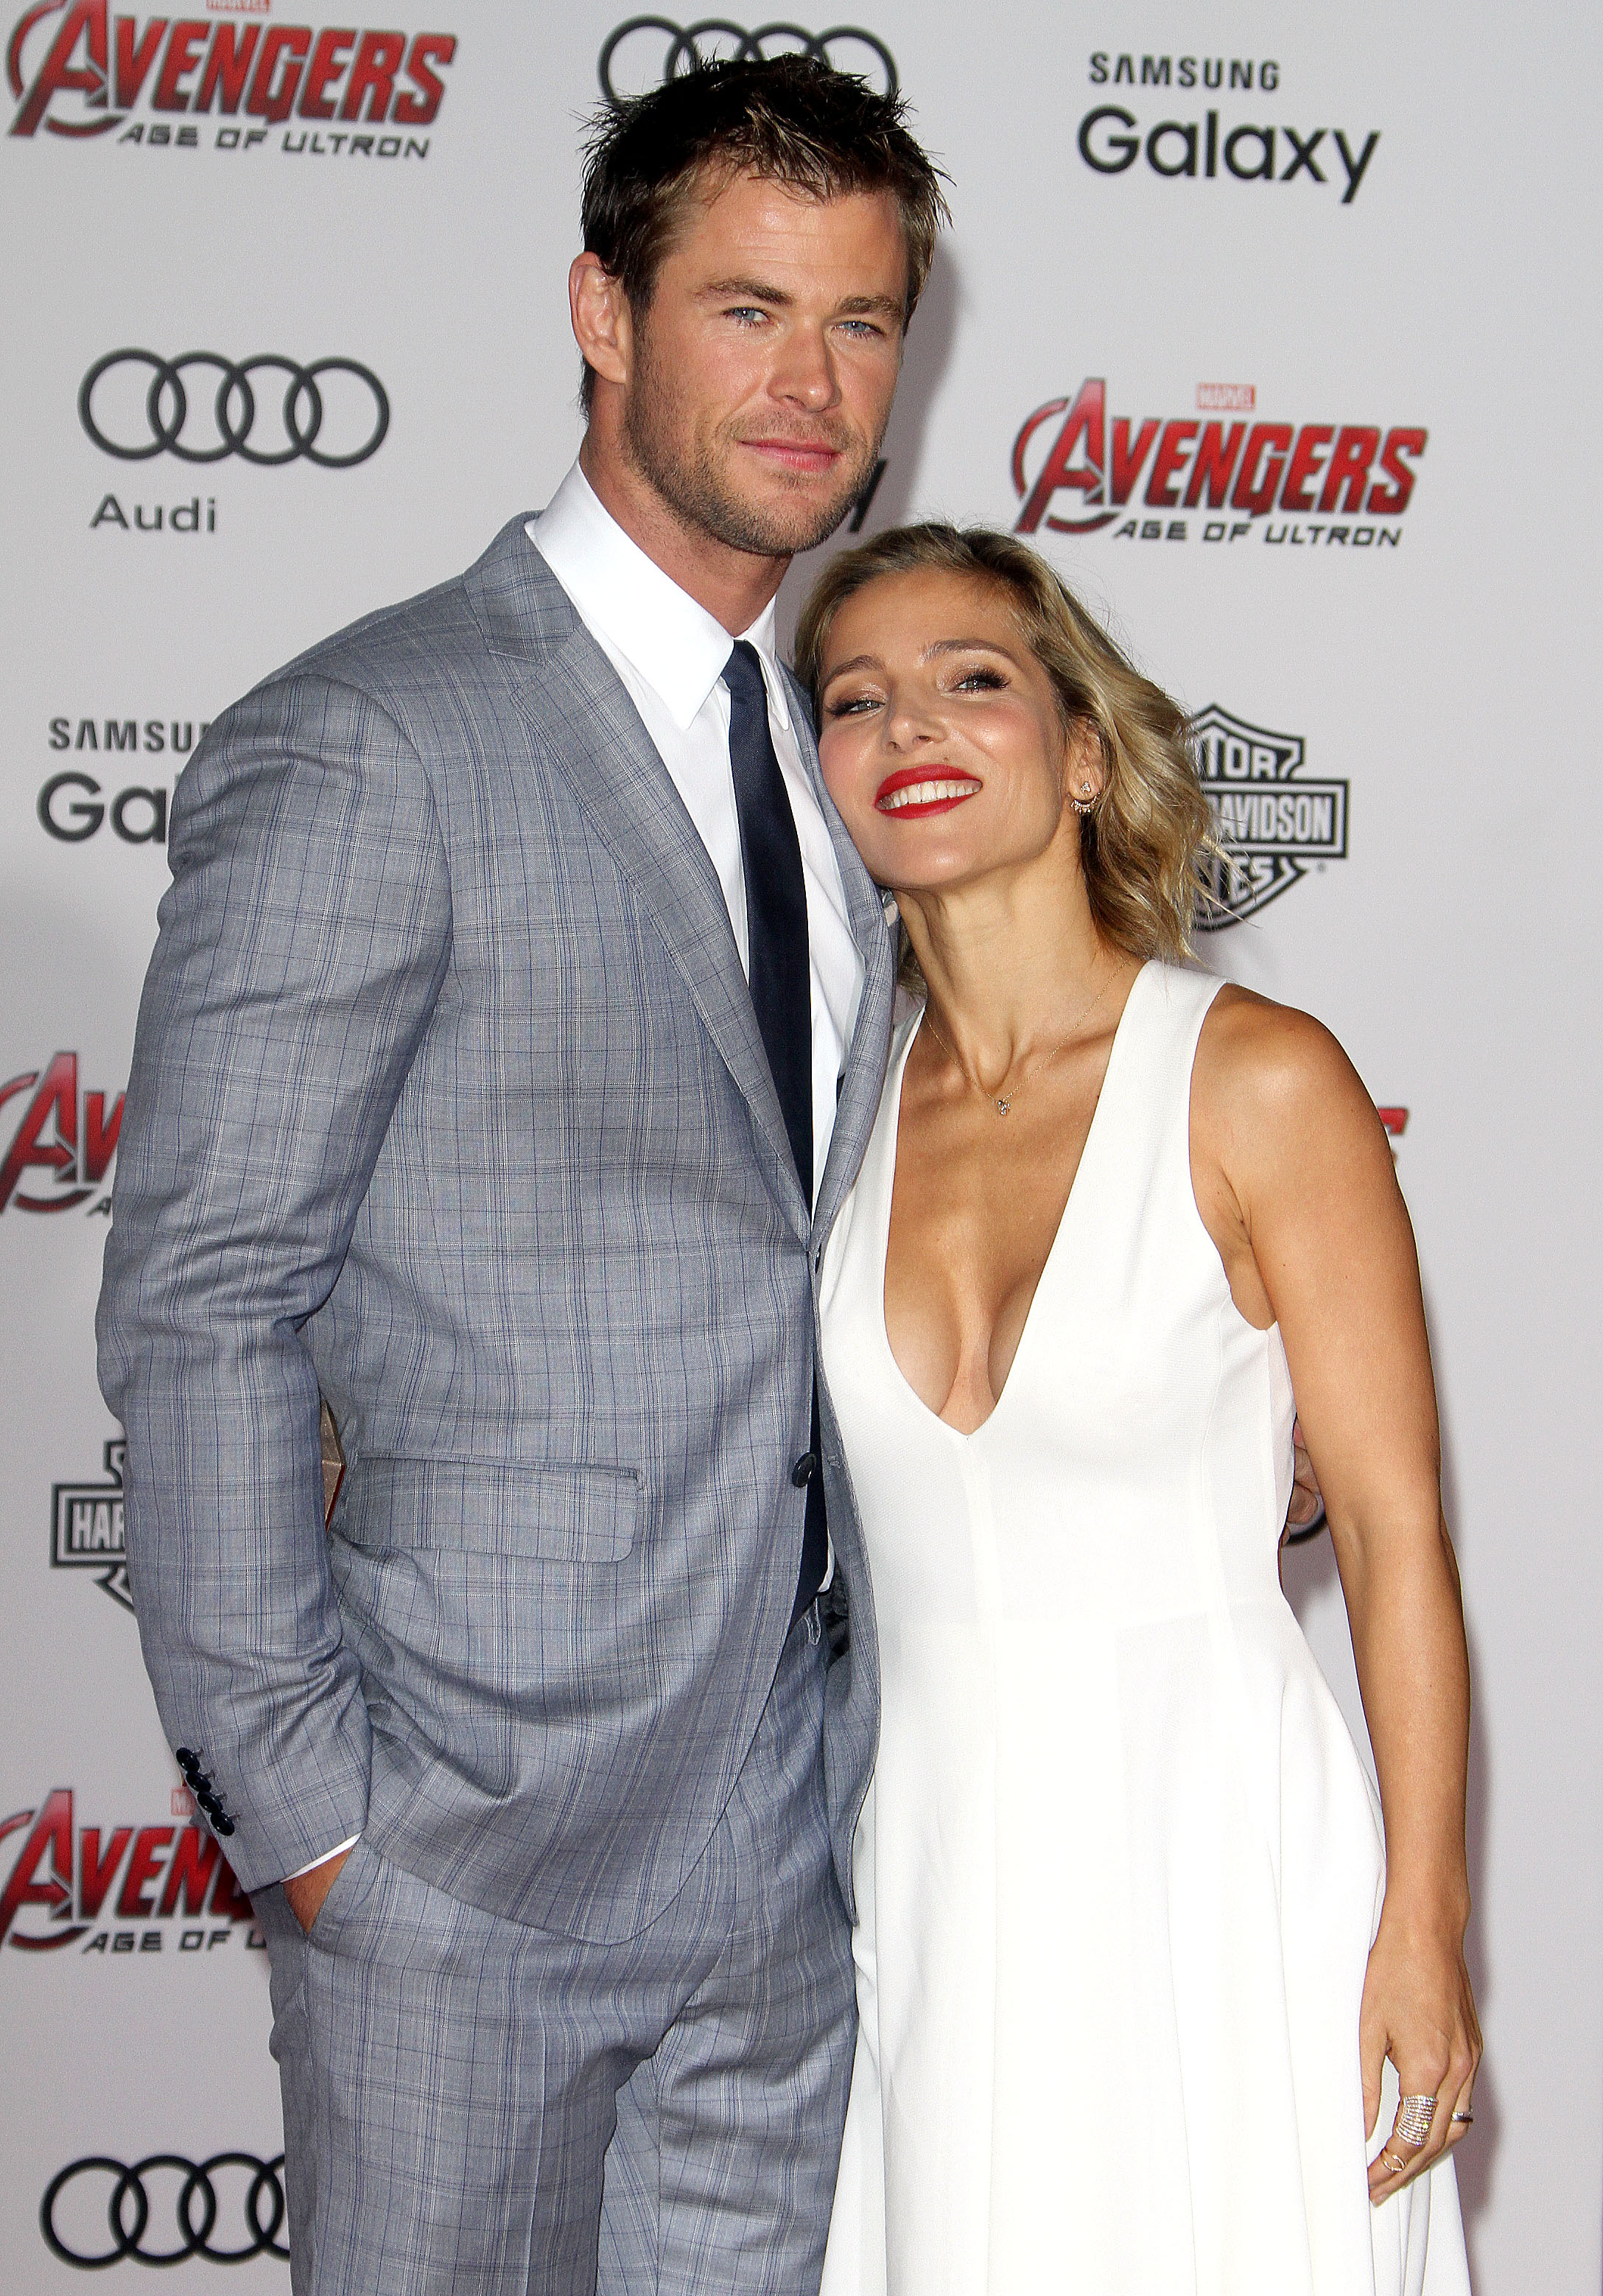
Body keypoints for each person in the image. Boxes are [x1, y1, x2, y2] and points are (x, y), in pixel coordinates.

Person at [96, 59, 947, 2296]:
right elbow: (203, 1300)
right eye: (747, 308)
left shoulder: (854, 756)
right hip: (459, 1862)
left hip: (791, 1870)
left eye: (860, 321)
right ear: (600, 310)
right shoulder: (376, 736)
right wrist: (313, 1819)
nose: (810, 383)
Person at [793, 524, 1481, 2295]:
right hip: (926, 1869)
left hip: (1216, 1853)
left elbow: (1390, 1533)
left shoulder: (1256, 1078)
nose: (907, 724)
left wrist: (1421, 1916)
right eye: (853, 700)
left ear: (1084, 752)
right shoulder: (823, 1115)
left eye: (970, 679)